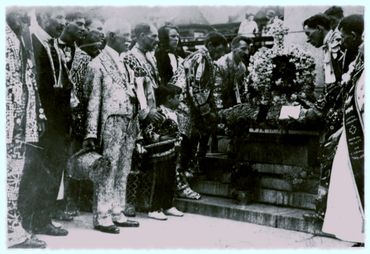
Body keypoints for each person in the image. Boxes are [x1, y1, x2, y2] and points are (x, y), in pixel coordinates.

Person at [83, 18, 140, 234]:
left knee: (123, 169)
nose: (129, 38)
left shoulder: (125, 62)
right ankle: (102, 214)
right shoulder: (97, 64)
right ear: (113, 36)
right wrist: (91, 132)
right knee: (108, 169)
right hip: (110, 122)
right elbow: (93, 101)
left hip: (128, 121)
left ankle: (118, 210)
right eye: (126, 34)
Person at [19, 7, 70, 235]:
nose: (63, 23)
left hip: (58, 124)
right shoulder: (29, 42)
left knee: (53, 170)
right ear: (42, 17)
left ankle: (43, 219)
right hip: (38, 122)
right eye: (58, 17)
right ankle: (26, 222)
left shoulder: (55, 47)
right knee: (34, 173)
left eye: (65, 18)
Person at [6, 8, 47, 249]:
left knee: (13, 179)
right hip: (9, 121)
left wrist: (37, 113)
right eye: (19, 10)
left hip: (19, 126)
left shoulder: (22, 39)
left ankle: (12, 231)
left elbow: (29, 81)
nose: (25, 16)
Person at [322, 15, 364, 245]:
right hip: (354, 127)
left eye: (344, 36)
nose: (341, 41)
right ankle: (359, 232)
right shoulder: (358, 57)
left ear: (355, 35)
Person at [302, 13, 344, 223]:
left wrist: (317, 109)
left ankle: (324, 212)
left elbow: (338, 85)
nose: (308, 40)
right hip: (336, 109)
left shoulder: (336, 44)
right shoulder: (330, 44)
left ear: (320, 28)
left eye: (309, 34)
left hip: (344, 112)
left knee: (330, 158)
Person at [169, 31, 227, 175]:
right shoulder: (200, 57)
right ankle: (181, 175)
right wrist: (207, 112)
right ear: (210, 46)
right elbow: (195, 88)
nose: (220, 56)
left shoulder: (205, 58)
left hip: (190, 105)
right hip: (183, 105)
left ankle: (187, 171)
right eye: (219, 51)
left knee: (193, 139)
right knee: (185, 142)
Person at [155, 25, 201, 200]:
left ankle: (183, 174)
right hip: (167, 105)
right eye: (172, 36)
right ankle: (179, 182)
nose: (177, 39)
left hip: (183, 104)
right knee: (178, 141)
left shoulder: (182, 57)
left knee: (191, 137)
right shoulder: (159, 57)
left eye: (178, 35)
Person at [67, 16, 106, 216]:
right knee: (76, 158)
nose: (102, 33)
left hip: (92, 116)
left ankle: (81, 200)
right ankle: (69, 202)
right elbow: (80, 91)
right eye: (98, 28)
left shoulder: (94, 56)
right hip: (80, 117)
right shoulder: (80, 56)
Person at [141, 85, 185, 220]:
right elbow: (148, 131)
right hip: (159, 153)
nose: (180, 100)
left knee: (170, 179)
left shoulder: (175, 112)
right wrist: (161, 138)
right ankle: (154, 208)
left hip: (172, 151)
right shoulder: (158, 113)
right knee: (159, 180)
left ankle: (168, 205)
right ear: (169, 99)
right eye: (178, 98)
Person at [215, 36, 251, 109]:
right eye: (243, 49)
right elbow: (216, 90)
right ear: (233, 49)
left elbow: (239, 89)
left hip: (230, 103)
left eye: (248, 49)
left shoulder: (242, 67)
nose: (247, 52)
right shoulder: (221, 64)